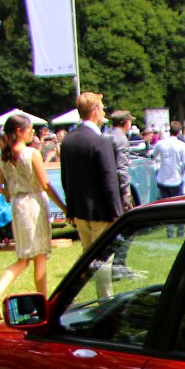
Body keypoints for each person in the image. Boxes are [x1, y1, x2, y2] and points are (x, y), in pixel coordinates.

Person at [0, 114, 66, 318]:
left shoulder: (4, 157)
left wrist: (12, 193)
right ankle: (42, 302)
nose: (32, 133)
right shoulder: (31, 153)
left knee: (24, 258)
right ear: (19, 132)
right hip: (34, 205)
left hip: (18, 205)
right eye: (30, 129)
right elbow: (45, 184)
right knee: (39, 257)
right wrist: (64, 208)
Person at [60, 92, 123, 272]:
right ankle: (105, 299)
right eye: (102, 109)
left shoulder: (68, 141)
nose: (104, 113)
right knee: (103, 261)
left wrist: (70, 208)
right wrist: (118, 213)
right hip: (101, 212)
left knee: (88, 258)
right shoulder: (100, 141)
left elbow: (66, 178)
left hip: (80, 211)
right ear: (95, 111)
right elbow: (109, 179)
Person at [108, 110, 135, 212]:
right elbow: (121, 167)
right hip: (117, 186)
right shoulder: (122, 139)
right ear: (125, 122)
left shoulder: (107, 135)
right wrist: (126, 193)